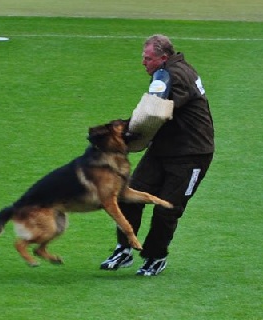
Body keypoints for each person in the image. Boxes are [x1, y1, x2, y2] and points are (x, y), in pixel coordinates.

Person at [100, 34, 215, 276]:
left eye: (148, 58)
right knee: (129, 196)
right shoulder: (170, 71)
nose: (144, 63)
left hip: (191, 155)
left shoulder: (175, 76)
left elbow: (152, 114)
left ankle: (156, 256)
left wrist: (119, 133)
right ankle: (124, 248)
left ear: (163, 58)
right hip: (163, 150)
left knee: (167, 210)